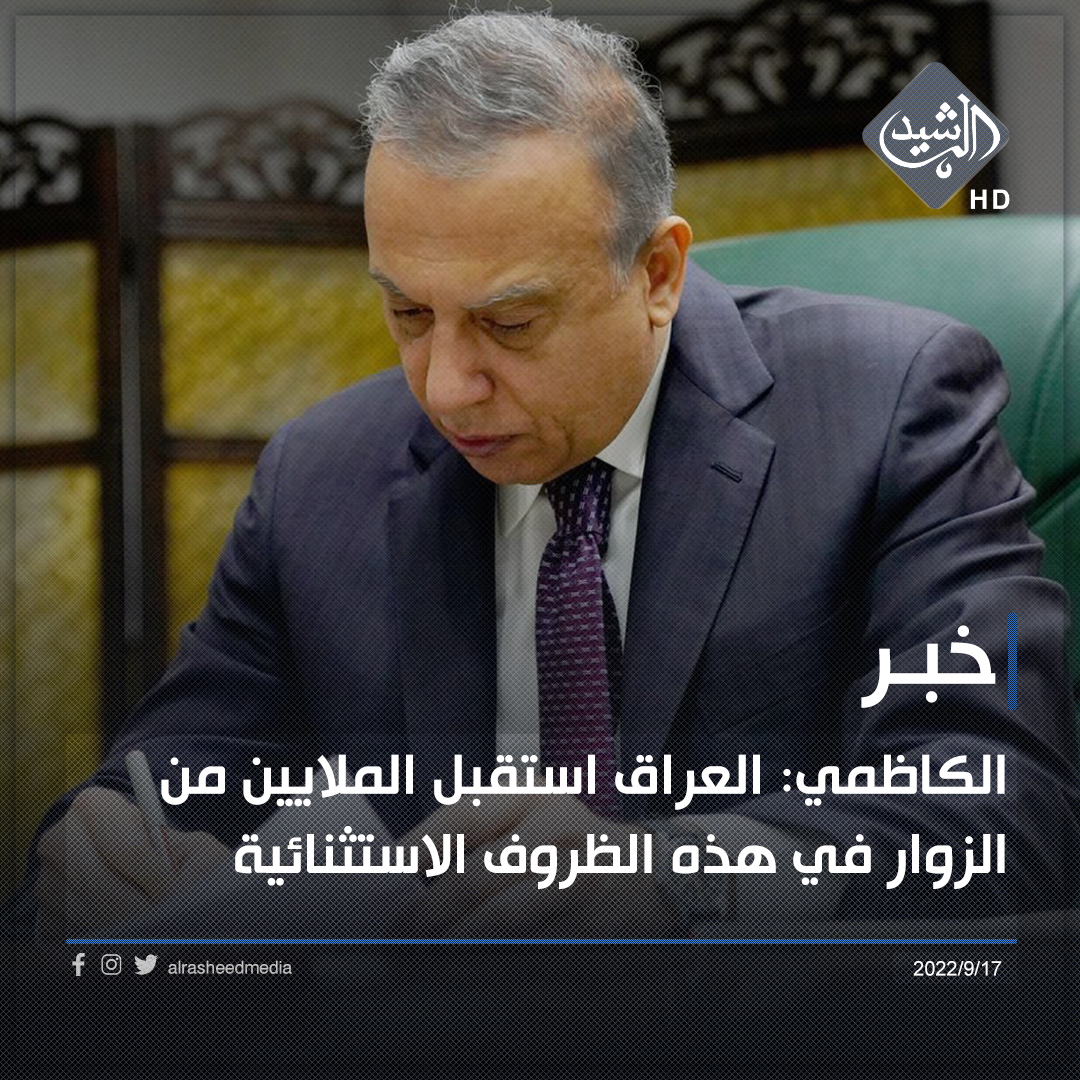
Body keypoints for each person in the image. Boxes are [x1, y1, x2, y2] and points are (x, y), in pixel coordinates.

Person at [26, 10, 1079, 941]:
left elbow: (1007, 810)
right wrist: (96, 854)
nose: (446, 389)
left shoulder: (886, 408)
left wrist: (673, 877)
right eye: (407, 312)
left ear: (658, 273)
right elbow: (166, 785)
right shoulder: (319, 478)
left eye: (510, 322)